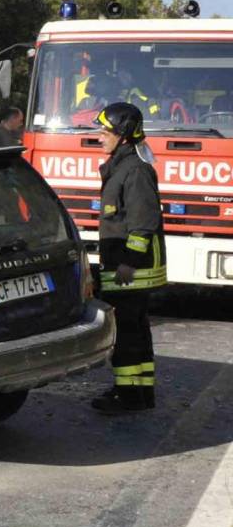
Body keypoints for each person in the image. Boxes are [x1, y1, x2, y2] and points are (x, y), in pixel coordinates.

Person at [91, 102, 165, 414]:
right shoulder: (122, 167)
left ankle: (129, 396)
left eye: (105, 131)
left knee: (127, 334)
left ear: (122, 135)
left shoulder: (134, 171)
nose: (99, 136)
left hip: (130, 271)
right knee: (135, 330)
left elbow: (142, 224)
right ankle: (139, 393)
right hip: (126, 269)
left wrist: (128, 264)